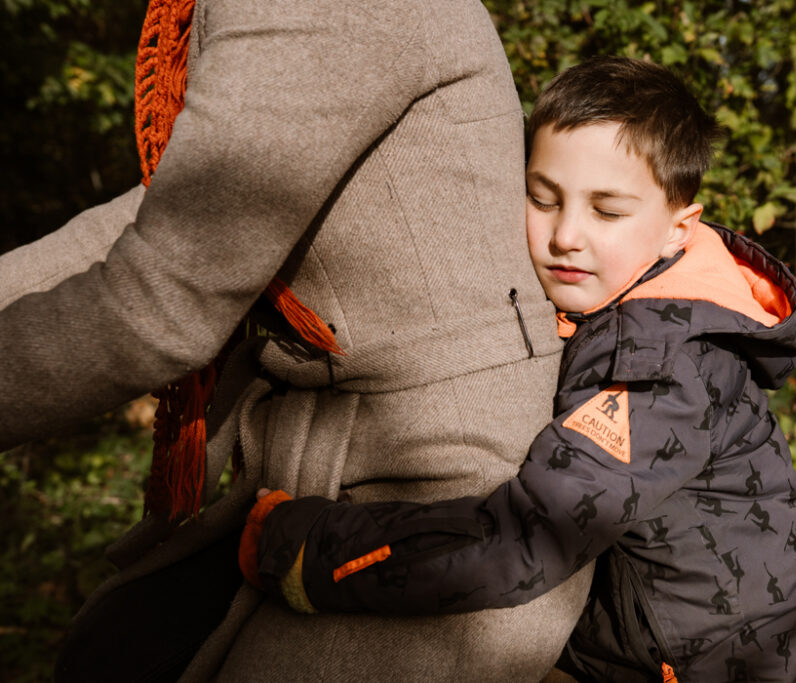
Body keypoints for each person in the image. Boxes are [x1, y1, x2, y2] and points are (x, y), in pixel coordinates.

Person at [0, 0, 593, 680]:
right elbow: (176, 212)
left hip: (445, 514)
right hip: (320, 473)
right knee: (113, 650)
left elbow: (161, 301)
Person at [243, 56, 796, 682]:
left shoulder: (660, 368)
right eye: (542, 199)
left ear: (677, 231)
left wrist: (308, 553)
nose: (566, 234)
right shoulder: (627, 304)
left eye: (607, 211)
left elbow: (525, 540)